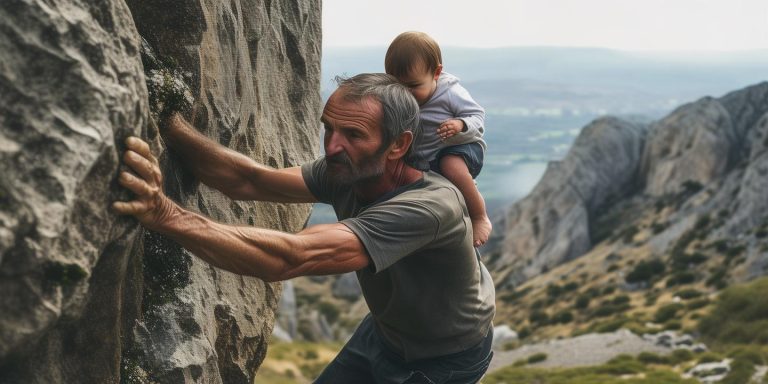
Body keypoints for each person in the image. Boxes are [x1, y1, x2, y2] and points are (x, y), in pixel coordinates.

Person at [113, 73, 495, 383]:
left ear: (398, 145)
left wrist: (165, 214)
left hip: (443, 361)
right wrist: (167, 118)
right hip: (386, 332)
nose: (331, 147)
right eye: (329, 129)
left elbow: (290, 258)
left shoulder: (427, 207)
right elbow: (249, 179)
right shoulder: (349, 170)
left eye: (354, 135)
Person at [385, 31, 493, 247]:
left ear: (436, 73)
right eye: (398, 86)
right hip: (425, 157)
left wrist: (460, 125)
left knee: (451, 166)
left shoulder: (450, 92)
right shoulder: (399, 98)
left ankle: (480, 216)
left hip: (461, 147)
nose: (406, 93)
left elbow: (477, 117)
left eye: (414, 86)